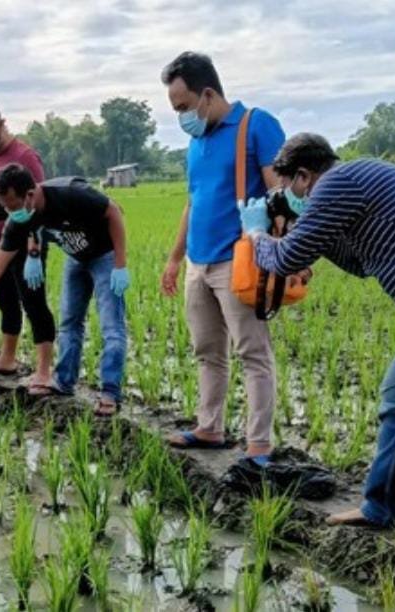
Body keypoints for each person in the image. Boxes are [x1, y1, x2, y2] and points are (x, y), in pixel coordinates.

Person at [239, 133, 395, 535]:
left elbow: (287, 258)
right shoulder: (353, 183)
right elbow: (360, 264)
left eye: (285, 187)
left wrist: (257, 234)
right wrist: (306, 230)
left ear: (304, 176)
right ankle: (385, 510)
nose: (286, 196)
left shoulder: (338, 183)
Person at [159, 51, 287, 465]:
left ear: (208, 94)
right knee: (207, 350)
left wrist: (284, 251)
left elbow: (279, 197)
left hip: (240, 260)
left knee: (252, 352)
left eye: (183, 106)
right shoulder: (196, 145)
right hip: (200, 261)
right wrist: (176, 258)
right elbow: (192, 202)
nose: (182, 117)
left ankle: (258, 445)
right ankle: (209, 428)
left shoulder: (256, 125)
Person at [0, 164, 129, 415]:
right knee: (69, 321)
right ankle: (63, 382)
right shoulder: (19, 218)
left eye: (14, 206)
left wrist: (120, 264)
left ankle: (110, 392)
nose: (12, 213)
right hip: (76, 257)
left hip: (105, 256)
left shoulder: (70, 194)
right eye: (6, 207)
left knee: (111, 325)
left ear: (30, 194)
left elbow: (114, 212)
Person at [0, 97, 56, 390]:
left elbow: (41, 204)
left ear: (0, 123)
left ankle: (44, 369)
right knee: (4, 298)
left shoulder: (26, 156)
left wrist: (33, 250)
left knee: (33, 302)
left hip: (27, 243)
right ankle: (8, 356)